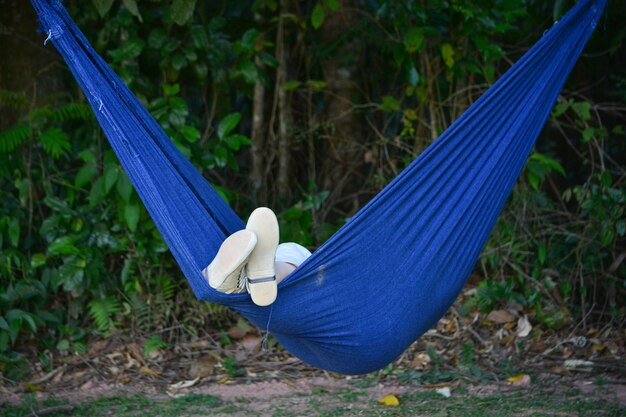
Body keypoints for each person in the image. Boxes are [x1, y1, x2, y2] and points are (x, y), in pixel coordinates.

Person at [202, 207, 311, 306]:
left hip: (308, 289)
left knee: (294, 253)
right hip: (310, 292)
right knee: (297, 256)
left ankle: (244, 280)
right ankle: (260, 276)